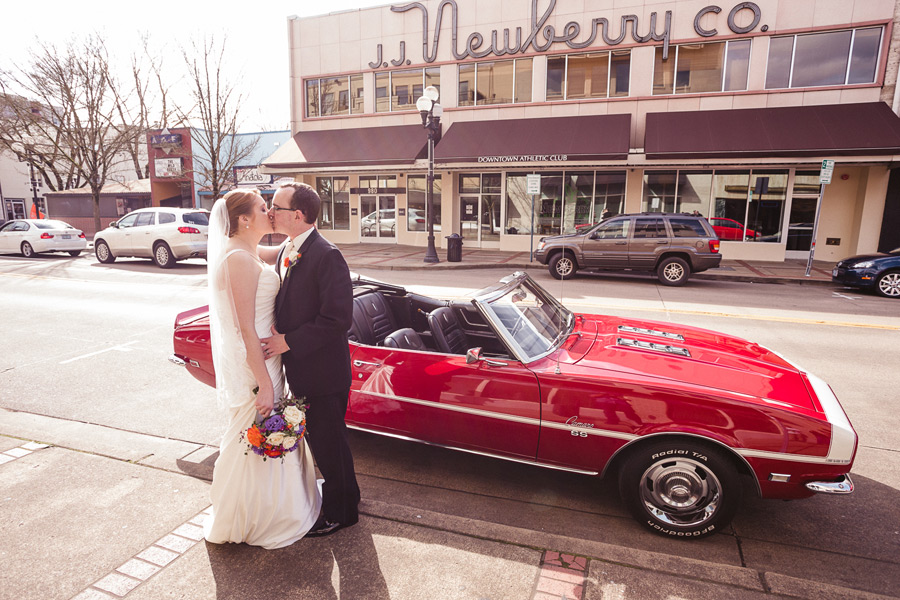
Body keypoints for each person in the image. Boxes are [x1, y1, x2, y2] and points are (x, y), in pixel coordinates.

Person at [203, 189, 321, 549]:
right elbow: (244, 330)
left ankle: (275, 505)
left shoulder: (250, 251)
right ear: (242, 219)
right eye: (261, 208)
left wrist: (306, 228)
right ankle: (251, 516)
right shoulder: (237, 260)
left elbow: (293, 249)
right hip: (255, 363)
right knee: (251, 433)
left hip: (269, 358)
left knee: (261, 430)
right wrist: (263, 383)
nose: (269, 212)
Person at [261, 182, 360, 537]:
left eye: (276, 207)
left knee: (328, 444)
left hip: (324, 373)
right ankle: (350, 496)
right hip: (305, 370)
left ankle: (341, 513)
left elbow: (337, 320)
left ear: (297, 215)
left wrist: (288, 341)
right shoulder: (290, 247)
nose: (271, 212)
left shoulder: (326, 254)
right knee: (330, 441)